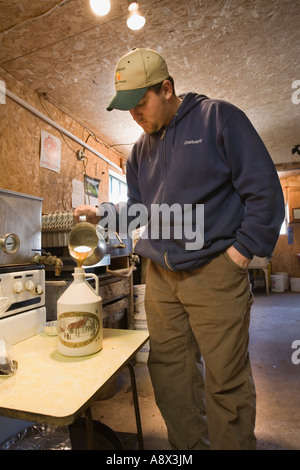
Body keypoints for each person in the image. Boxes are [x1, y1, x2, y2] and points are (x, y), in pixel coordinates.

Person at [74, 48, 285, 450]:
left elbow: (266, 193)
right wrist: (102, 214)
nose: (134, 115)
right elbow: (141, 212)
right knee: (171, 378)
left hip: (214, 272)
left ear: (166, 88)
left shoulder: (219, 119)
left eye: (140, 103)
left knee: (226, 381)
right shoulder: (139, 152)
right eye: (127, 109)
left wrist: (240, 254)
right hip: (161, 279)